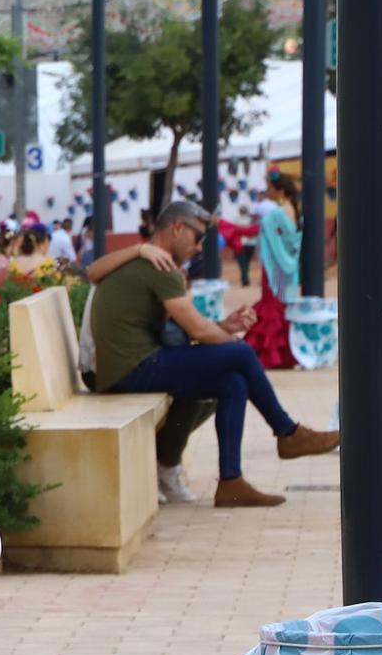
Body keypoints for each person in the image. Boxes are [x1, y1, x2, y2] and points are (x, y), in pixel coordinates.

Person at [84, 200, 337, 508]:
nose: (201, 247)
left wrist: (225, 327)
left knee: (232, 382)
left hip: (131, 365)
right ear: (177, 228)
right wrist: (226, 335)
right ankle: (288, 432)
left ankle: (231, 482)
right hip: (130, 368)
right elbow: (198, 332)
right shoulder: (158, 266)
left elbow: (197, 328)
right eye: (198, 237)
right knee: (241, 354)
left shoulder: (153, 263)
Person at [245, 174, 303, 370]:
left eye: (270, 188)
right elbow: (293, 241)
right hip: (289, 268)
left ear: (280, 191)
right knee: (281, 308)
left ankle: (271, 356)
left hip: (273, 269)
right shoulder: (295, 211)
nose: (267, 191)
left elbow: (263, 233)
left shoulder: (276, 214)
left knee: (271, 306)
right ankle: (285, 354)